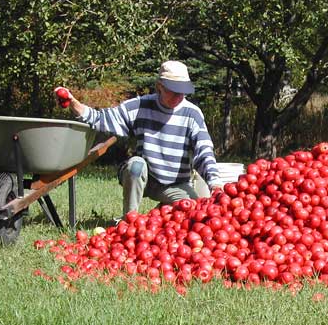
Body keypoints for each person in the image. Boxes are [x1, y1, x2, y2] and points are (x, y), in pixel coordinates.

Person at [57, 60, 223, 215]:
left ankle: (159, 213)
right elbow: (102, 119)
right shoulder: (140, 106)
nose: (179, 97)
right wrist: (72, 103)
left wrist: (214, 184)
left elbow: (204, 151)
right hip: (145, 178)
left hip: (175, 184)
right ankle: (130, 220)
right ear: (160, 86)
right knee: (135, 166)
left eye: (183, 92)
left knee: (192, 213)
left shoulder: (192, 114)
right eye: (173, 91)